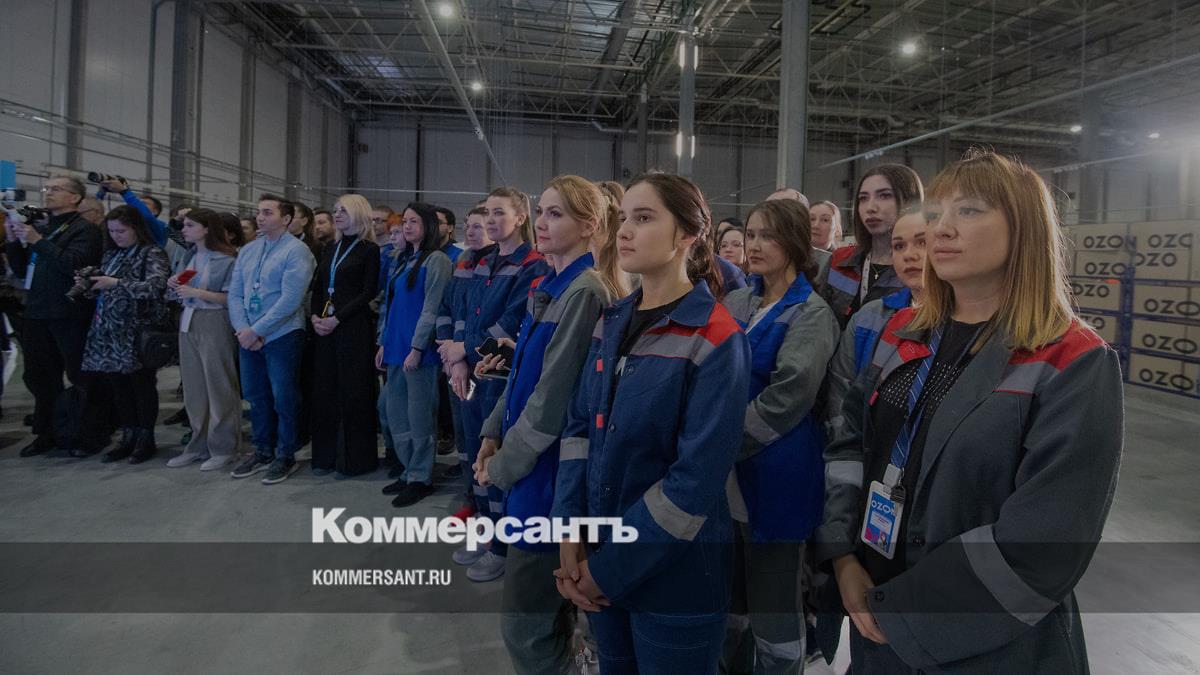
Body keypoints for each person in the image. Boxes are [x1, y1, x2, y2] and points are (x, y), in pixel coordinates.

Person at [816, 150, 1123, 673]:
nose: (941, 229)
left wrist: (903, 612)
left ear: (1024, 229)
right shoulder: (901, 333)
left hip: (986, 641)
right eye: (937, 213)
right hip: (875, 621)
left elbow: (1044, 544)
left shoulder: (1072, 360)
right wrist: (842, 555)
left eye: (970, 210)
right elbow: (850, 446)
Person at [553, 173, 751, 674]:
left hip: (674, 577)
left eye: (643, 218)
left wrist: (609, 569)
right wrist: (570, 530)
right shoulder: (611, 320)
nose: (624, 231)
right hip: (599, 558)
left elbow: (695, 481)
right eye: (624, 218)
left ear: (687, 234)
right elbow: (579, 429)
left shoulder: (717, 336)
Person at [472, 176, 621, 675]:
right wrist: (492, 431)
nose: (542, 222)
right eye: (542, 211)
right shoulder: (550, 287)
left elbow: (552, 399)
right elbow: (522, 375)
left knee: (527, 626)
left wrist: (504, 466)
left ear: (590, 225)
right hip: (529, 470)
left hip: (550, 477)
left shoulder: (586, 291)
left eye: (556, 214)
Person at [719, 199, 839, 675]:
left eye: (767, 235)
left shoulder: (811, 313)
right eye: (750, 234)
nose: (754, 245)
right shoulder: (737, 303)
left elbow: (788, 397)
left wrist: (718, 444)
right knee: (730, 604)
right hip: (726, 476)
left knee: (773, 608)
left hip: (776, 472)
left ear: (793, 242)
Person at [440, 186, 549, 583]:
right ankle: (486, 534)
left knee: (496, 461)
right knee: (473, 457)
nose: (490, 220)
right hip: (469, 373)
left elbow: (509, 325)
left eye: (499, 212)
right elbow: (461, 312)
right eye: (487, 212)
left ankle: (502, 546)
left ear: (520, 218)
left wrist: (464, 350)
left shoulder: (532, 266)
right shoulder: (481, 263)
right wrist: (456, 358)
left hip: (497, 379)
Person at [5, 175, 104, 457]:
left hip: (69, 312)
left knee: (81, 376)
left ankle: (88, 434)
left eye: (56, 189)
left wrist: (37, 241)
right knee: (40, 377)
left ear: (75, 197)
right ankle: (46, 431)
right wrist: (13, 242)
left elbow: (74, 265)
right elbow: (23, 270)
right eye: (47, 189)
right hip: (37, 311)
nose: (48, 193)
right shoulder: (44, 228)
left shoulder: (85, 230)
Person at [227, 194, 317, 484]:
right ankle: (263, 450)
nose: (260, 217)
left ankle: (285, 453)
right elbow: (235, 293)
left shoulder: (297, 251)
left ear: (286, 219)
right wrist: (244, 329)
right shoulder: (249, 250)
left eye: (267, 212)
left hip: (282, 334)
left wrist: (257, 331)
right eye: (258, 212)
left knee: (283, 397)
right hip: (248, 336)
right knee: (255, 395)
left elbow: (291, 299)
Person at [824, 204, 927, 445]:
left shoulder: (962, 323)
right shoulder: (869, 317)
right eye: (898, 246)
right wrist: (847, 452)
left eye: (922, 242)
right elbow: (841, 390)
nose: (909, 255)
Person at [78, 205, 171, 463]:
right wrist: (90, 286)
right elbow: (104, 291)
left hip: (136, 330)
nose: (116, 236)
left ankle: (145, 437)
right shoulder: (111, 255)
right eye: (112, 231)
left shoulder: (152, 252)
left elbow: (156, 287)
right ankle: (128, 434)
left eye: (121, 231)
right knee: (118, 388)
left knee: (141, 386)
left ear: (136, 229)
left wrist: (116, 283)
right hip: (108, 329)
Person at [376, 202, 452, 505]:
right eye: (405, 222)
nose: (407, 227)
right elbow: (391, 305)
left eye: (414, 222)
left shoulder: (437, 261)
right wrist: (383, 343)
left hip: (418, 353)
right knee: (394, 413)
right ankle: (408, 470)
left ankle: (421, 476)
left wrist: (418, 347)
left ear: (429, 225)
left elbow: (432, 309)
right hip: (395, 348)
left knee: (419, 417)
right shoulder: (404, 259)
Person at [164, 209, 241, 470]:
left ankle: (224, 447)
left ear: (207, 228)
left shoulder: (228, 260)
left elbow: (231, 298)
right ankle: (197, 445)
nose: (184, 229)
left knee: (219, 385)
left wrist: (198, 292)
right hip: (188, 320)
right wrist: (175, 285)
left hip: (214, 321)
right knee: (194, 387)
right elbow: (181, 290)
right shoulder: (190, 256)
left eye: (190, 225)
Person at [309, 195, 380, 477]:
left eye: (343, 211)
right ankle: (324, 457)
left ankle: (355, 460)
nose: (337, 214)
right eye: (335, 210)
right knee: (325, 392)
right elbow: (319, 287)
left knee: (353, 393)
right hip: (325, 329)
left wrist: (337, 318)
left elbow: (367, 292)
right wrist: (315, 317)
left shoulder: (369, 250)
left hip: (352, 328)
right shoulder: (331, 248)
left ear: (358, 214)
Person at [437, 206, 496, 522]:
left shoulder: (495, 266)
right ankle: (471, 498)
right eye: (468, 226)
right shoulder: (462, 263)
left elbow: (486, 323)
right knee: (463, 435)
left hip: (479, 367)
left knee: (481, 437)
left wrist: (461, 354)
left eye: (479, 226)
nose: (471, 232)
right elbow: (446, 309)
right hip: (455, 362)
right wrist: (449, 353)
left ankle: (486, 504)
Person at [821, 164, 923, 328]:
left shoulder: (918, 268)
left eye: (884, 196)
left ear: (910, 201)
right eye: (863, 198)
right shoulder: (839, 261)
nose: (870, 208)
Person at [768, 187, 832, 290]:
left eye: (781, 210)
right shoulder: (759, 259)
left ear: (802, 218)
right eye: (767, 210)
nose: (770, 217)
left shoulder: (827, 263)